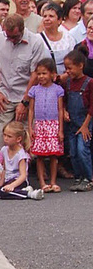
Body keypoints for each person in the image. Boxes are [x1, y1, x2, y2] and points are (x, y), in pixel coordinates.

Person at [0, 14, 49, 148]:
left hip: (25, 95)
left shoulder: (35, 42)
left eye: (14, 37)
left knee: (25, 143)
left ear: (22, 30)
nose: (10, 40)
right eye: (8, 36)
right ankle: (4, 168)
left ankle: (25, 168)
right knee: (3, 141)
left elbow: (35, 74)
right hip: (4, 96)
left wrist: (25, 101)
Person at [0, 121, 45, 200]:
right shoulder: (4, 150)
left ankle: (29, 194)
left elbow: (23, 175)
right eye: (4, 135)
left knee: (3, 191)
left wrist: (12, 185)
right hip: (7, 180)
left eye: (9, 136)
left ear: (18, 139)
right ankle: (19, 192)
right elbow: (5, 170)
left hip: (18, 181)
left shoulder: (21, 155)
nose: (5, 138)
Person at [28, 58, 64, 193]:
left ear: (53, 74)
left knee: (54, 156)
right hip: (39, 125)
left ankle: (53, 182)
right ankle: (42, 182)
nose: (41, 76)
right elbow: (31, 110)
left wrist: (60, 130)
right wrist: (30, 127)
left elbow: (60, 110)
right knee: (40, 156)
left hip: (53, 125)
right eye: (39, 74)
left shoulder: (58, 90)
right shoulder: (34, 90)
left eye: (44, 73)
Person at [62, 49, 93, 192]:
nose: (67, 71)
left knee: (82, 150)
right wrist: (64, 111)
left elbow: (92, 107)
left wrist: (86, 125)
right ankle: (78, 176)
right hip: (72, 123)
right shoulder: (67, 83)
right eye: (66, 68)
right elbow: (64, 101)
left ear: (80, 65)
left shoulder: (89, 82)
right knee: (73, 151)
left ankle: (89, 177)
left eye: (70, 68)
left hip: (85, 122)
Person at [38, 1, 75, 76]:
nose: (47, 19)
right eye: (45, 16)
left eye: (51, 16)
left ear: (59, 20)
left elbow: (74, 62)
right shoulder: (37, 39)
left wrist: (64, 76)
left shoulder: (68, 38)